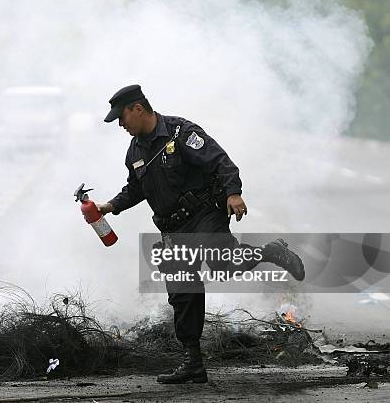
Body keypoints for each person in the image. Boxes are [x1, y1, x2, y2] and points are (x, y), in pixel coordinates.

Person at [97, 84, 304, 384]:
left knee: (222, 264)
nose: (120, 125)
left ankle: (272, 251)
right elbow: (137, 188)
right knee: (183, 294)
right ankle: (193, 362)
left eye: (122, 117)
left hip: (203, 215)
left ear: (137, 109)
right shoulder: (135, 151)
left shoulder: (181, 132)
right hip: (172, 228)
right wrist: (111, 206)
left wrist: (234, 194)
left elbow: (220, 160)